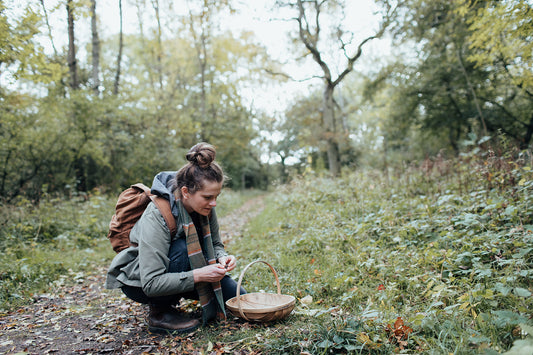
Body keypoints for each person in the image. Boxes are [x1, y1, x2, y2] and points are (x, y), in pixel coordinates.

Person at [106, 142, 245, 334]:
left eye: (216, 196)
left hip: (186, 268)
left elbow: (215, 243)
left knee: (239, 298)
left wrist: (222, 257)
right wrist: (200, 275)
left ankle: (183, 292)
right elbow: (152, 282)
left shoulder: (205, 207)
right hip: (142, 282)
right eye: (207, 197)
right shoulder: (157, 215)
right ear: (186, 192)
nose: (213, 203)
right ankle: (159, 312)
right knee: (181, 248)